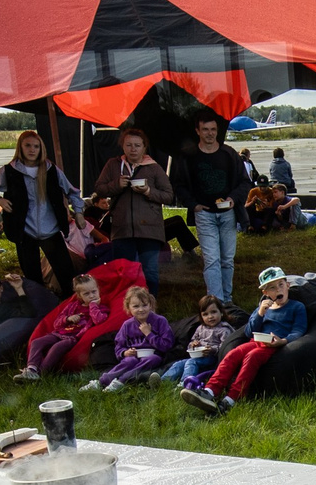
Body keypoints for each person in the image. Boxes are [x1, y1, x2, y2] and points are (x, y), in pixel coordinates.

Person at [182, 268, 305, 414]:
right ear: (265, 293)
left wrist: (283, 341)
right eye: (272, 287)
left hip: (275, 345)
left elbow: (299, 331)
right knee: (233, 354)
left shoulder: (297, 307)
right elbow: (248, 331)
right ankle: (210, 391)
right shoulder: (263, 308)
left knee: (252, 357)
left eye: (281, 285)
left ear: (288, 285)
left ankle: (232, 398)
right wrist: (260, 314)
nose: (278, 289)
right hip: (256, 341)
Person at [0, 130, 84, 297]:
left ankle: (71, 303)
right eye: (27, 145)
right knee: (32, 276)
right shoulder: (10, 171)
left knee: (65, 273)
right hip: (24, 231)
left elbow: (73, 191)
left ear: (41, 149)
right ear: (20, 147)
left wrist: (78, 212)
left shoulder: (51, 170)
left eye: (36, 146)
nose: (32, 149)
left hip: (50, 229)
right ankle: (39, 305)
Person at [169, 114, 250, 304]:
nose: (210, 134)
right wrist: (193, 205)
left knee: (227, 259)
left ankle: (227, 300)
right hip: (204, 213)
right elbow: (179, 185)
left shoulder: (228, 154)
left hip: (227, 212)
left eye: (213, 130)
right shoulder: (189, 157)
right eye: (205, 130)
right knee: (212, 259)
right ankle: (216, 301)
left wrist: (233, 199)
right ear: (198, 131)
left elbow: (245, 182)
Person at [87, 128, 173, 294]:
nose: (133, 149)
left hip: (149, 229)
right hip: (122, 229)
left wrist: (148, 191)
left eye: (137, 145)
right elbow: (99, 188)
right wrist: (116, 185)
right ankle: (125, 309)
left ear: (144, 147)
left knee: (150, 271)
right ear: (123, 146)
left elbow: (168, 195)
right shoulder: (113, 165)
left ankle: (150, 307)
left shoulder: (154, 168)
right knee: (123, 272)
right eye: (129, 145)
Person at [18, 272, 116, 381]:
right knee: (37, 342)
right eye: (86, 294)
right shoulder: (73, 306)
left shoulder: (101, 308)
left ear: (98, 290)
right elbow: (56, 323)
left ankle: (41, 373)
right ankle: (31, 369)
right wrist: (68, 319)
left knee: (57, 347)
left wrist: (93, 305)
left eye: (94, 292)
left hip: (73, 338)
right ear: (79, 295)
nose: (92, 296)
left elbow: (99, 320)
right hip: (59, 333)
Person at [90, 286, 174, 391]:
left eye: (144, 305)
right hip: (133, 356)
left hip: (153, 356)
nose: (141, 309)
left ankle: (121, 381)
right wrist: (125, 353)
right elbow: (119, 345)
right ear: (128, 308)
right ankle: (102, 381)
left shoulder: (160, 321)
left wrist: (149, 334)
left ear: (150, 305)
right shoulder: (127, 325)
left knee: (153, 359)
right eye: (136, 306)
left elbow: (167, 345)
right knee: (129, 361)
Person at [172, 296, 237, 390]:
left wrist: (211, 350)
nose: (210, 316)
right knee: (179, 364)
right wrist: (193, 345)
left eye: (213, 312)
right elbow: (192, 342)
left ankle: (186, 384)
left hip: (212, 359)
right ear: (201, 317)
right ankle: (163, 381)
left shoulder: (224, 330)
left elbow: (225, 349)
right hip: (199, 357)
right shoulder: (200, 328)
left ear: (221, 312)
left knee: (191, 362)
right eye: (205, 314)